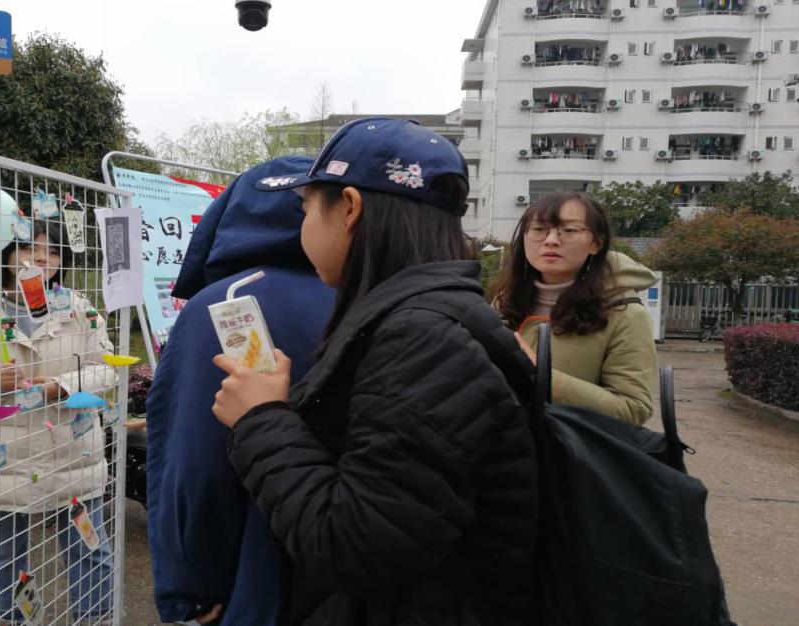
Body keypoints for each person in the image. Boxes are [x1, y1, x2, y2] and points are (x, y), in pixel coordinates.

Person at [209, 118, 538, 626]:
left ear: (350, 207)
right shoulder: (432, 319)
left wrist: (260, 419)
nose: (302, 228)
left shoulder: (420, 340)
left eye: (304, 209)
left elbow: (353, 548)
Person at [146, 156, 336, 626]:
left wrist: (190, 588)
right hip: (352, 569)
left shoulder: (221, 304)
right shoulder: (375, 297)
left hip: (255, 582)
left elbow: (195, 462)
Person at [0, 220, 115, 624]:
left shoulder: (78, 307)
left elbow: (107, 369)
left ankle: (96, 616)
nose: (42, 258)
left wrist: (62, 386)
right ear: (7, 254)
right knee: (4, 559)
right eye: (30, 248)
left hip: (71, 454)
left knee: (89, 549)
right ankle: (14, 620)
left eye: (53, 251)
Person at [493, 192, 659, 425]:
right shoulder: (504, 302)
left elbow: (632, 410)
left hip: (566, 445)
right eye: (539, 229)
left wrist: (541, 375)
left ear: (596, 243)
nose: (551, 240)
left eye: (569, 230)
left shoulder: (624, 313)